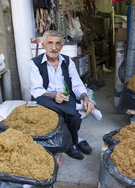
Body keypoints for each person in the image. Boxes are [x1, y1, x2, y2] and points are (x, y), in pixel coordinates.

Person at [30, 30, 95, 160]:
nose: (53, 48)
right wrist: (53, 96)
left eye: (57, 43)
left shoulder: (67, 61)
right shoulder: (35, 63)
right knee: (56, 107)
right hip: (47, 98)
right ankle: (72, 143)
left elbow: (76, 83)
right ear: (43, 45)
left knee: (74, 119)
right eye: (50, 43)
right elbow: (36, 90)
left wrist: (85, 98)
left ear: (61, 46)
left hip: (65, 98)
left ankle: (73, 139)